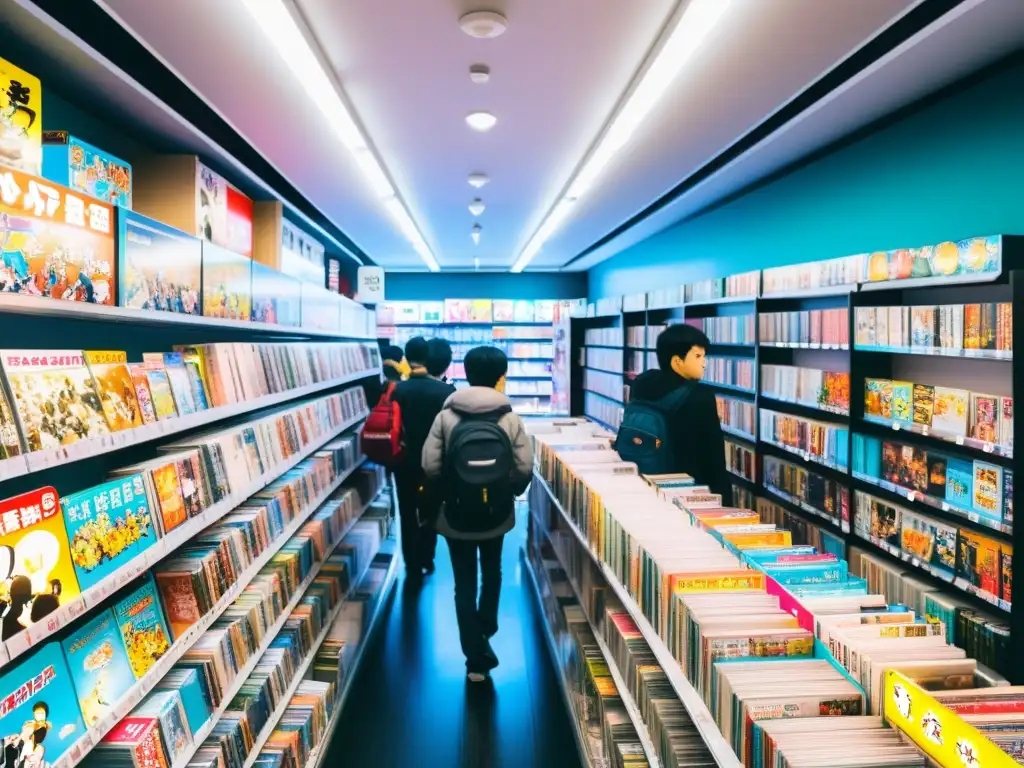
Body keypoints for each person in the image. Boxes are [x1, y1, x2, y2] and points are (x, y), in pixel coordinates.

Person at [422, 346, 533, 682]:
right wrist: (507, 492)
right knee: (494, 570)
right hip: (496, 512)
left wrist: (450, 490)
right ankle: (486, 626)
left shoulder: (446, 416)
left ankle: (475, 657)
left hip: (456, 513)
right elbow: (525, 467)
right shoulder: (510, 417)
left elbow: (429, 466)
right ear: (501, 377)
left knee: (463, 581)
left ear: (466, 374)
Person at [629, 323, 733, 505]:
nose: (704, 362)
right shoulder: (700, 395)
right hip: (689, 492)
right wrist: (725, 504)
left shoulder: (641, 384)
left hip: (645, 483)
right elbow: (714, 459)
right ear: (677, 361)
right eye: (698, 356)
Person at [391, 337, 455, 583]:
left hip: (403, 459)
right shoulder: (446, 392)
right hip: (435, 459)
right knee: (431, 507)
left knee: (407, 511)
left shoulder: (397, 390)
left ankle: (412, 562)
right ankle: (428, 556)